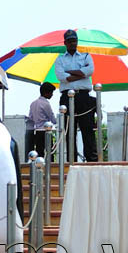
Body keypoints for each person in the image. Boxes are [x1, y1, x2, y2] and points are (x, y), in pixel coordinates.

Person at [53, 30, 97, 162]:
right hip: (66, 97)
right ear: (65, 43)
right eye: (70, 41)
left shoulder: (85, 56)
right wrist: (80, 73)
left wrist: (71, 73)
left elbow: (90, 71)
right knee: (68, 130)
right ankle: (71, 160)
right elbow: (61, 76)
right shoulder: (60, 59)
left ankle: (92, 160)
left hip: (83, 96)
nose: (73, 43)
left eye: (75, 40)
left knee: (87, 129)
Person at [24, 82, 57, 158]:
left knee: (39, 152)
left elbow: (31, 117)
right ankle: (50, 168)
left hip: (36, 131)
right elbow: (52, 118)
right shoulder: (46, 104)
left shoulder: (33, 103)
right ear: (46, 93)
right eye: (51, 93)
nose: (52, 95)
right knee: (49, 152)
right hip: (45, 131)